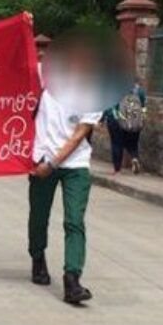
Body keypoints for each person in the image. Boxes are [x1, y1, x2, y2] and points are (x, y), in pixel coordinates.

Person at [27, 41, 101, 305]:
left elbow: (80, 134)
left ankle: (72, 279)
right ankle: (38, 257)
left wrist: (54, 163)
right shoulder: (43, 78)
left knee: (74, 221)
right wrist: (25, 27)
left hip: (74, 165)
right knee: (39, 216)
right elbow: (13, 63)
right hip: (40, 161)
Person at [102, 78, 145, 175]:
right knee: (132, 143)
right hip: (134, 121)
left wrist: (102, 119)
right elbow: (143, 107)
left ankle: (117, 170)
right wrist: (142, 120)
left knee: (117, 144)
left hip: (115, 120)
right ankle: (134, 158)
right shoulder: (139, 91)